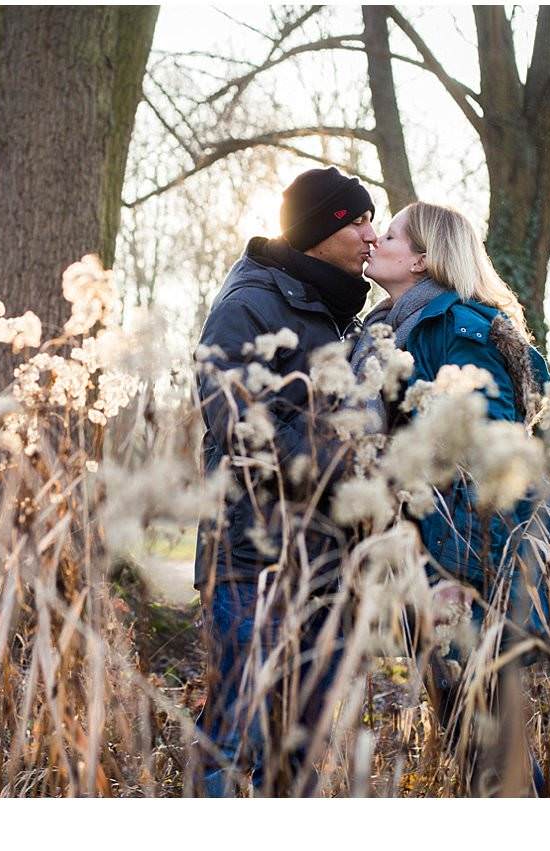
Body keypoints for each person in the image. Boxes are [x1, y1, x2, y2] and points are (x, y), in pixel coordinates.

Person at [358, 201, 550, 795]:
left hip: (464, 566)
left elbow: (494, 463)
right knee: (466, 730)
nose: (375, 241)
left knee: (490, 740)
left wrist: (462, 578)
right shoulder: (400, 325)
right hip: (427, 556)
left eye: (390, 235)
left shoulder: (458, 328)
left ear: (423, 257)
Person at [192, 166, 377, 796]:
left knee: (301, 741)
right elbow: (238, 419)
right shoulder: (250, 303)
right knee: (233, 733)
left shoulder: (331, 310)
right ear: (322, 230)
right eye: (359, 220)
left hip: (321, 565)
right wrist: (344, 456)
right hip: (252, 563)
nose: (370, 235)